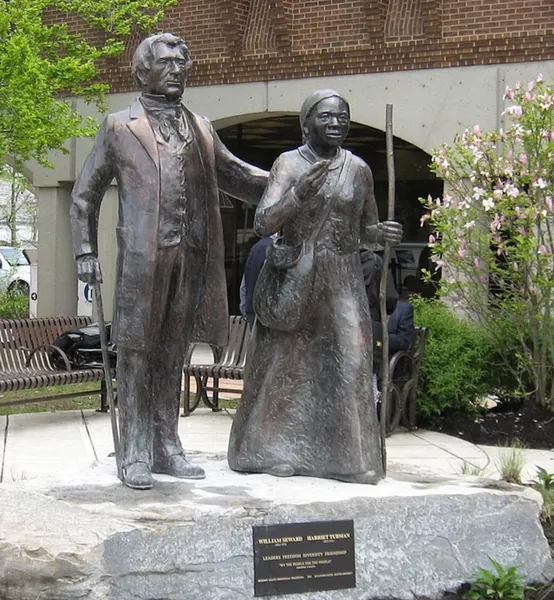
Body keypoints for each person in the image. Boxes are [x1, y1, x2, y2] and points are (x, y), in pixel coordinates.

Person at [71, 33, 267, 490]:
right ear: (143, 71)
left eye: (183, 63)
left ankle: (167, 444)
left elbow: (236, 174)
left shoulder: (200, 125)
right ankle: (135, 451)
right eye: (167, 63)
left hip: (191, 255)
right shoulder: (119, 127)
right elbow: (84, 196)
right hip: (143, 259)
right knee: (137, 353)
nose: (177, 70)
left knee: (174, 352)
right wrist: (84, 251)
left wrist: (291, 180)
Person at [228, 89, 402, 485]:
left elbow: (366, 229)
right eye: (326, 117)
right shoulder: (288, 164)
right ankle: (266, 450)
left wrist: (383, 233)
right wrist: (298, 193)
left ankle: (351, 458)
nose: (336, 123)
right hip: (298, 275)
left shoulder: (357, 169)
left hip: (342, 278)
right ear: (307, 124)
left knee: (352, 360)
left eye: (342, 117)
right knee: (284, 365)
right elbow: (263, 223)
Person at [243, 235, 274, 328]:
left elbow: (244, 286)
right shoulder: (274, 249)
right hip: (268, 314)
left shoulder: (255, 248)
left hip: (253, 311)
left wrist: (246, 308)